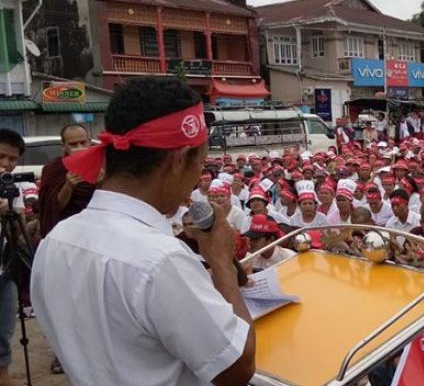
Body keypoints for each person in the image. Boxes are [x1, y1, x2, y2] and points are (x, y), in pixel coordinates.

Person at [31, 78, 256, 385]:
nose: (196, 180)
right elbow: (236, 368)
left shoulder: (54, 242)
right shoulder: (161, 260)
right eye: (200, 164)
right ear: (178, 160)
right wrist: (221, 264)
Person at [38, 123, 96, 238]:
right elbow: (54, 207)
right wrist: (68, 186)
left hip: (95, 226)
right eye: (73, 144)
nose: (79, 147)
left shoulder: (100, 164)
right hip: (68, 229)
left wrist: (100, 183)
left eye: (83, 142)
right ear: (63, 146)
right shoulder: (54, 168)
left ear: (89, 142)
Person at [0, 129, 26, 386]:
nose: (6, 164)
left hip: (4, 268)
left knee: (4, 328)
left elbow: (18, 232)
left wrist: (7, 214)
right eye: (1, 156)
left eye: (12, 159)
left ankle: (3, 377)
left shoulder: (12, 185)